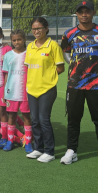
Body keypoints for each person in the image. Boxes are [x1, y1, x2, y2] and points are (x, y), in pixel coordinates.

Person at [60, 1, 98, 169]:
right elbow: (66, 53)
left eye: (87, 11)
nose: (84, 14)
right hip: (75, 84)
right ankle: (71, 151)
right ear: (77, 14)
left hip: (97, 84)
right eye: (81, 12)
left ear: (93, 12)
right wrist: (78, 69)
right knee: (73, 119)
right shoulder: (69, 33)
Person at [24, 17, 65, 163]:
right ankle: (38, 148)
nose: (36, 31)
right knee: (34, 120)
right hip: (32, 89)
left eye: (39, 28)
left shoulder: (53, 45)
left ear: (46, 28)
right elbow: (28, 67)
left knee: (44, 119)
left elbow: (60, 67)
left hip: (47, 89)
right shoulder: (30, 46)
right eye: (34, 29)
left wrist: (47, 76)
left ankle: (50, 151)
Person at [2, 29, 32, 153]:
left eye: (19, 39)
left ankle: (28, 142)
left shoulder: (29, 53)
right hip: (11, 91)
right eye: (14, 40)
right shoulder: (8, 55)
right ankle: (10, 140)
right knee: (12, 115)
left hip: (25, 91)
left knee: (26, 115)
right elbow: (6, 74)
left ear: (24, 39)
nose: (16, 42)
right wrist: (5, 91)